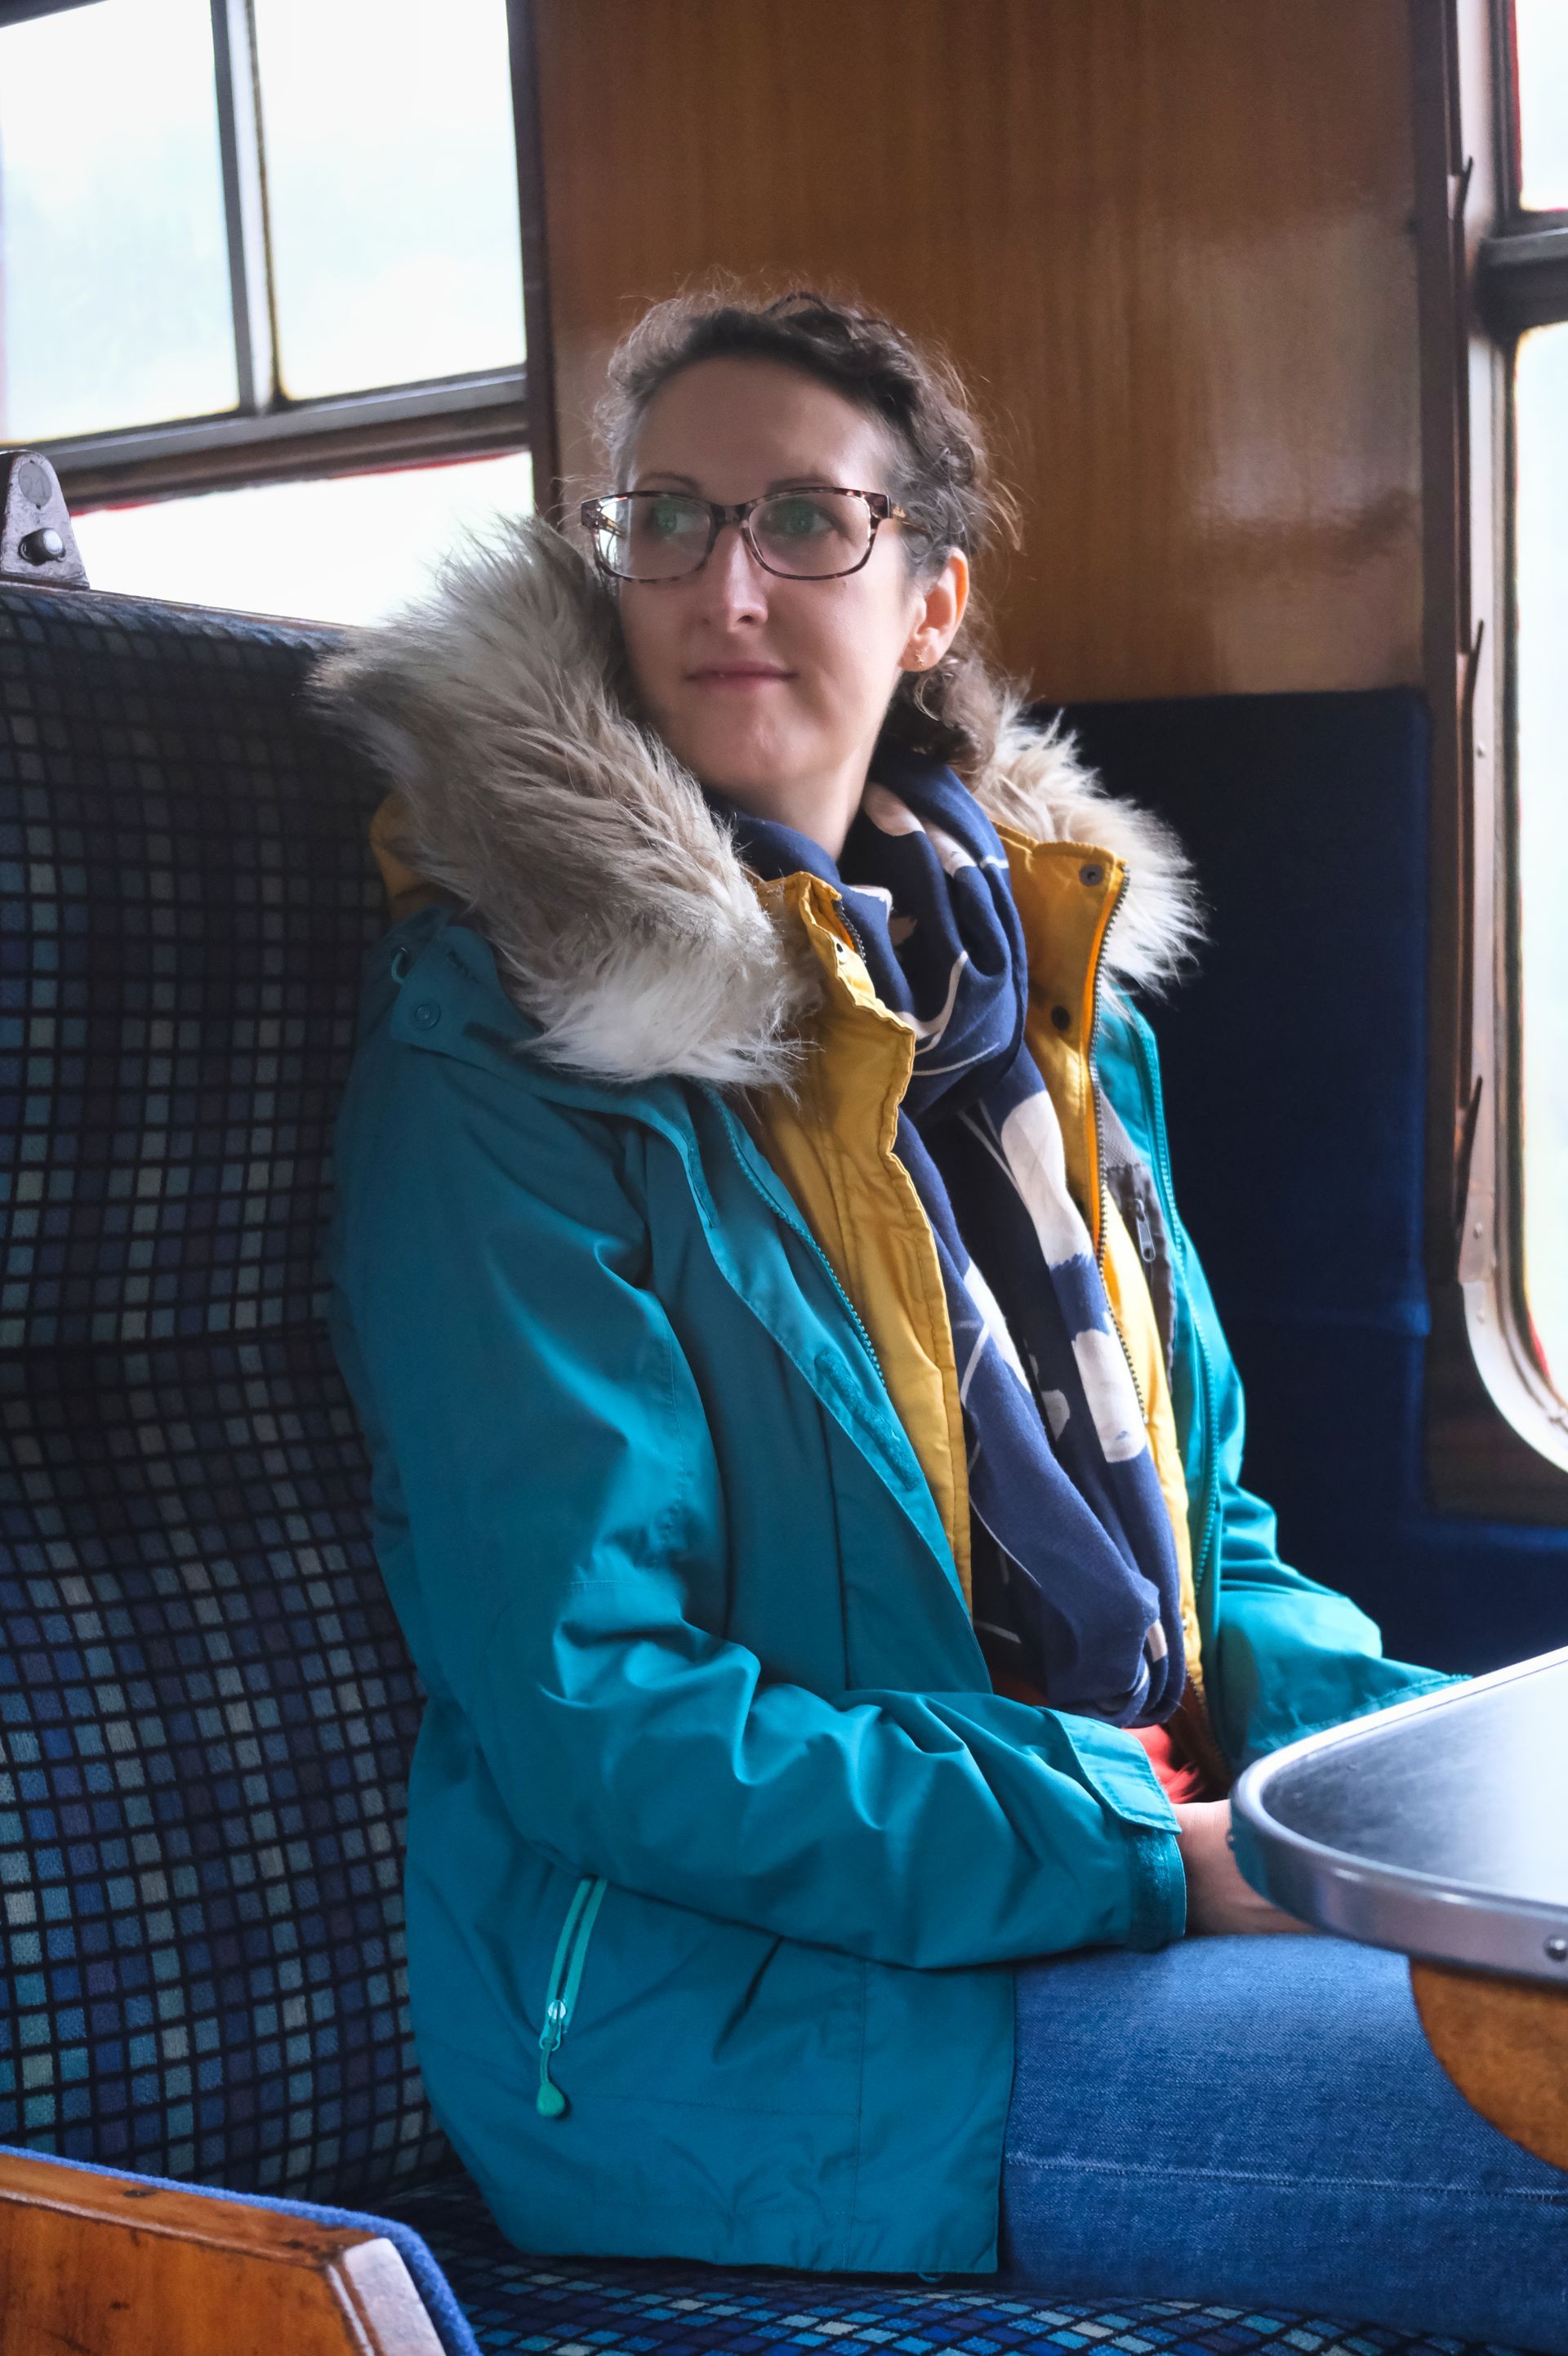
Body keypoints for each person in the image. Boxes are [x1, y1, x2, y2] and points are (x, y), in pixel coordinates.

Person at [318, 289, 1568, 2348]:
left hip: (1106, 1891)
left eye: (810, 520)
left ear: (926, 598)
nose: (730, 581)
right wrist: (1164, 1857)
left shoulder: (1041, 1013)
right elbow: (599, 1714)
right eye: (670, 519)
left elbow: (1211, 1558)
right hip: (756, 2031)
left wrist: (1428, 1793)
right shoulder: (512, 1053)